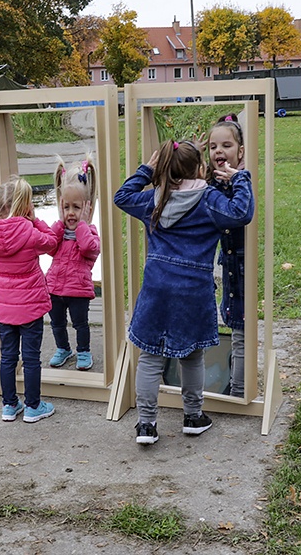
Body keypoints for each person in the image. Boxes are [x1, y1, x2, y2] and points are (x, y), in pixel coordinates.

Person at [114, 139, 254, 445]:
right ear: (200, 169)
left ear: (163, 168)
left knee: (150, 357)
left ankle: (147, 425)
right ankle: (192, 416)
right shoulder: (210, 199)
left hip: (157, 287)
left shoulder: (154, 199)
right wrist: (240, 177)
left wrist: (146, 171)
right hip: (193, 290)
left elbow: (121, 196)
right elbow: (242, 213)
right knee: (192, 355)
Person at [0, 176, 57, 423]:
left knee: (8, 356)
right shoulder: (29, 232)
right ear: (25, 207)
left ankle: (10, 405)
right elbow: (52, 243)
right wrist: (38, 221)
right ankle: (34, 406)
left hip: (3, 305)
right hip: (30, 305)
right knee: (31, 357)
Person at [206, 113, 251, 398]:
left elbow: (242, 213)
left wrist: (240, 178)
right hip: (229, 266)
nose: (219, 151)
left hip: (244, 267)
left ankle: (238, 391)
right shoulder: (210, 185)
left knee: (242, 334)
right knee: (236, 329)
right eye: (213, 147)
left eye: (226, 145)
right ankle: (235, 389)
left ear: (241, 151)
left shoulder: (244, 180)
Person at [46, 157, 100, 371]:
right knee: (57, 323)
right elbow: (48, 247)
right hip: (54, 288)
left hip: (78, 290)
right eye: (66, 206)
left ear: (87, 207)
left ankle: (84, 351)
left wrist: (83, 225)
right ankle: (63, 348)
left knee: (80, 324)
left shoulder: (90, 232)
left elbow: (89, 249)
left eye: (76, 207)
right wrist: (59, 223)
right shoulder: (58, 230)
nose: (70, 213)